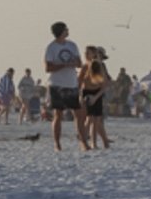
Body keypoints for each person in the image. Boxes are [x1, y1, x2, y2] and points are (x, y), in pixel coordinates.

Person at [44, 22, 85, 151]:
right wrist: (64, 65)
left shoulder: (72, 45)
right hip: (57, 84)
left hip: (71, 83)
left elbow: (79, 63)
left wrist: (74, 63)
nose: (68, 31)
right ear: (61, 31)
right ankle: (57, 143)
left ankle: (83, 141)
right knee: (58, 114)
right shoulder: (51, 47)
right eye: (66, 29)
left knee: (78, 114)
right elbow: (48, 67)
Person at [79, 46, 111, 149]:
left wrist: (96, 97)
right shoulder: (85, 67)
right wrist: (80, 95)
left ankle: (95, 143)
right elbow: (79, 82)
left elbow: (104, 84)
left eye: (88, 53)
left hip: (97, 93)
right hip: (86, 93)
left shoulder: (99, 66)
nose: (85, 55)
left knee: (96, 119)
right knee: (89, 119)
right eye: (85, 53)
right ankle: (85, 141)